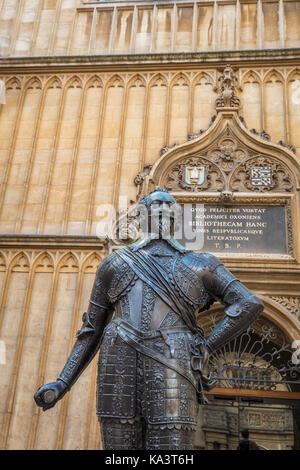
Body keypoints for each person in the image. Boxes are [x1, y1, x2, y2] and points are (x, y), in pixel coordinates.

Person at [34, 188, 264, 450]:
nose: (162, 212)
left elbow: (248, 303)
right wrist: (63, 382)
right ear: (142, 217)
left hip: (171, 361)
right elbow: (91, 330)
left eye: (168, 207)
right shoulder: (116, 263)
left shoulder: (200, 264)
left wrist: (208, 346)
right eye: (157, 207)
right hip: (120, 361)